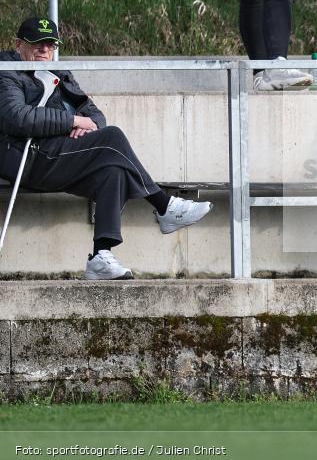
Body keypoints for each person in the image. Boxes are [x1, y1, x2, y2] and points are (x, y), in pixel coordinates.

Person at [0, 17, 213, 279]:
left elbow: (94, 113)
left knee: (113, 170)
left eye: (50, 44)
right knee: (112, 138)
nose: (44, 50)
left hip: (60, 151)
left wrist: (87, 125)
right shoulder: (7, 70)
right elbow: (17, 116)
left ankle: (101, 257)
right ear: (19, 44)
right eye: (37, 44)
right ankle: (164, 205)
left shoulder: (59, 72)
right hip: (26, 156)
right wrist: (72, 121)